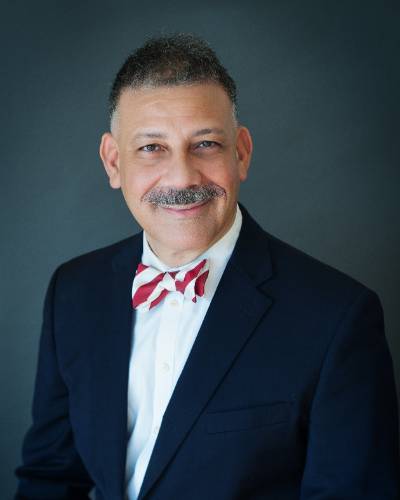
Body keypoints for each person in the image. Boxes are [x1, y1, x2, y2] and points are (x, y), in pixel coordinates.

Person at [15, 33, 399, 500]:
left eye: (206, 144)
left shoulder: (339, 317)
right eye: (152, 148)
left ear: (240, 153)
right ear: (114, 163)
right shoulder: (73, 290)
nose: (181, 177)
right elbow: (50, 478)